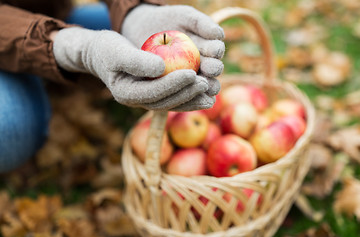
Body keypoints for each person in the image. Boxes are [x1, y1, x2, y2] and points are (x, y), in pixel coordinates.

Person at [0, 0, 225, 173]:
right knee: (9, 128)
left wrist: (136, 11)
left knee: (128, 39)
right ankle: (38, 67)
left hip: (47, 16)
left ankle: (44, 62)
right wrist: (72, 48)